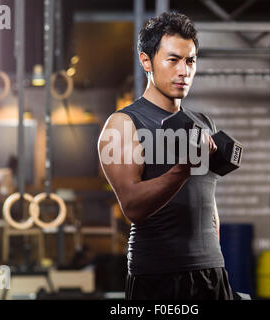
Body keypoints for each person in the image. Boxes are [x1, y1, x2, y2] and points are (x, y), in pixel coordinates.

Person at [97, 11, 233, 300]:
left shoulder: (204, 123)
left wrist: (213, 262)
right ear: (146, 61)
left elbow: (209, 204)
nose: (184, 71)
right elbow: (132, 206)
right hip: (158, 278)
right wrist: (182, 169)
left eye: (190, 61)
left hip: (212, 274)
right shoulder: (124, 124)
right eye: (173, 60)